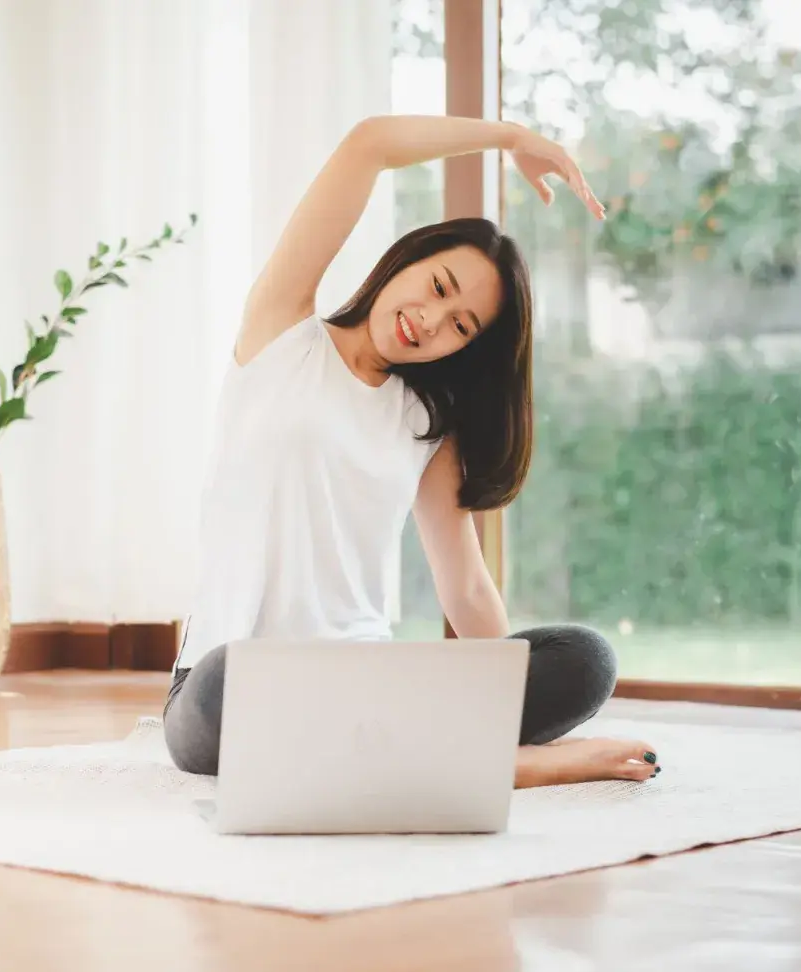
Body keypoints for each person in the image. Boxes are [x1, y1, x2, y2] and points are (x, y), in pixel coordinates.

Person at [164, 115, 662, 788]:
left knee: (584, 659)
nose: (430, 320)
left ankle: (430, 749)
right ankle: (500, 766)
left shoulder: (427, 421)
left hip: (368, 680)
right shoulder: (283, 331)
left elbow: (464, 584)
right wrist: (508, 137)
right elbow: (367, 145)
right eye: (438, 288)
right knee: (232, 687)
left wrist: (493, 692)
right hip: (231, 685)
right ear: (407, 260)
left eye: (460, 325)